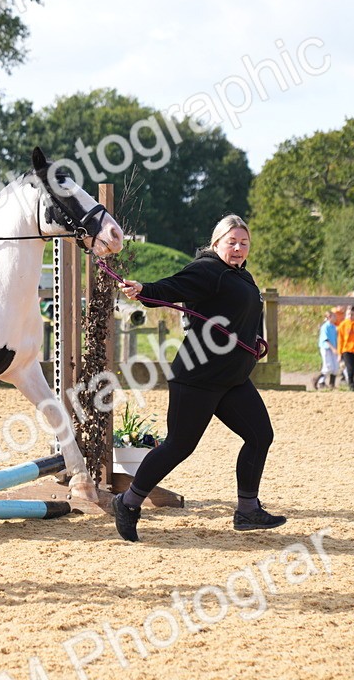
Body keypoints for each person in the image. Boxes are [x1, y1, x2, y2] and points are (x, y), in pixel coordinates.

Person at [111, 214, 285, 541]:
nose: (238, 248)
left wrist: (254, 341)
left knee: (260, 435)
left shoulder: (240, 275)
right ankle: (128, 502)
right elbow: (174, 286)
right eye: (231, 242)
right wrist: (144, 290)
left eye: (243, 243)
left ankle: (247, 509)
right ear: (216, 243)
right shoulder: (208, 269)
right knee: (180, 446)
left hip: (232, 379)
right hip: (197, 377)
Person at [313, 309, 340, 390]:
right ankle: (317, 379)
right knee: (328, 366)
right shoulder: (325, 327)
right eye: (334, 316)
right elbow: (326, 339)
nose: (335, 318)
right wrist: (333, 348)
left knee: (335, 367)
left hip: (334, 348)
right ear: (329, 317)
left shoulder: (334, 327)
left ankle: (332, 384)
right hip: (326, 348)